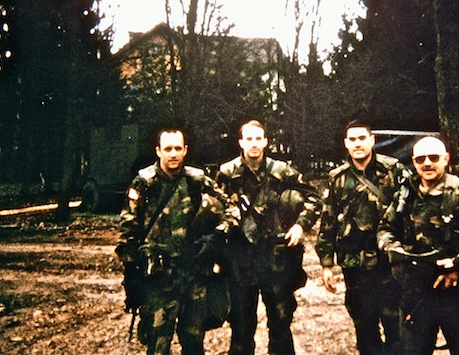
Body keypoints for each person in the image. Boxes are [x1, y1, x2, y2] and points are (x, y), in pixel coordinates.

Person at [115, 128, 235, 355]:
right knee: (158, 345)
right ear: (158, 151)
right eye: (168, 149)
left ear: (185, 151)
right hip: (158, 280)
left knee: (193, 342)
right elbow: (128, 230)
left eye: (178, 148)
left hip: (194, 275)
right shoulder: (144, 184)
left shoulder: (198, 181)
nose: (173, 154)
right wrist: (131, 274)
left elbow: (231, 210)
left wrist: (217, 235)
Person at [377, 136, 459, 355]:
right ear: (413, 161)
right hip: (416, 293)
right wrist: (395, 250)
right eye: (421, 159)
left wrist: (457, 266)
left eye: (433, 158)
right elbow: (385, 228)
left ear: (446, 159)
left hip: (456, 294)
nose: (427, 163)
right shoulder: (406, 194)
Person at [215, 119, 321, 355]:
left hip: (275, 259)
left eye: (258, 139)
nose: (254, 144)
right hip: (240, 260)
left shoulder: (282, 171)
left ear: (265, 141)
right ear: (241, 142)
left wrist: (300, 226)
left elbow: (314, 198)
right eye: (248, 139)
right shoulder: (227, 173)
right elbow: (215, 210)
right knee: (241, 328)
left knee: (281, 325)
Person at [315, 120, 410, 355]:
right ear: (346, 144)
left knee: (396, 324)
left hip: (389, 263)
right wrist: (327, 264)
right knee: (364, 326)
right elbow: (328, 221)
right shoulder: (337, 178)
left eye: (361, 138)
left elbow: (410, 212)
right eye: (352, 140)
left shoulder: (394, 170)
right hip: (353, 265)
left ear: (371, 140)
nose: (357, 144)